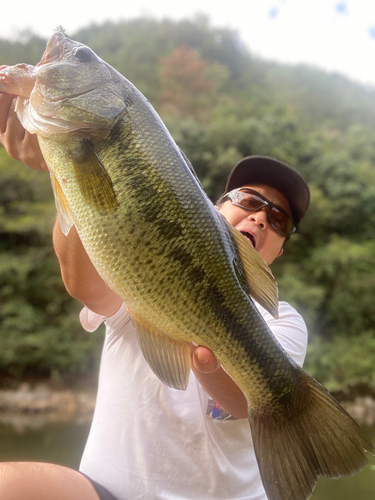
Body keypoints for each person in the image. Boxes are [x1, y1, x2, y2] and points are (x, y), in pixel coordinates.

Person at [0, 90, 310, 500]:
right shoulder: (141, 258)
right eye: (249, 201)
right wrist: (67, 172)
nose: (259, 217)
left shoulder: (282, 320)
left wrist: (209, 352)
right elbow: (84, 285)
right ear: (215, 209)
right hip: (105, 490)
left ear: (279, 249)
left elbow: (245, 402)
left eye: (278, 220)